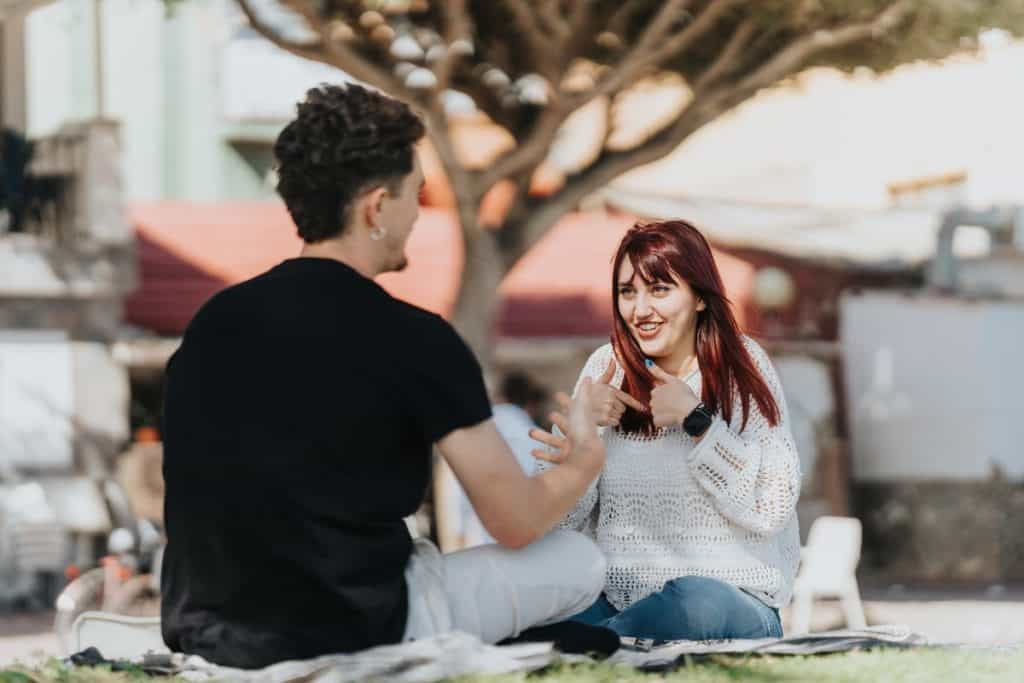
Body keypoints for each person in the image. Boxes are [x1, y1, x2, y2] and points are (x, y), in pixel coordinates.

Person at [160, 83, 608, 669]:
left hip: (210, 632)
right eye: (414, 194)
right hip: (356, 622)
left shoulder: (210, 324)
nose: (419, 213)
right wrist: (583, 463)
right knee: (579, 560)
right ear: (376, 207)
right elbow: (516, 521)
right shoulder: (413, 337)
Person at [531, 220, 801, 642]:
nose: (640, 310)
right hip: (617, 601)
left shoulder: (743, 366)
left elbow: (772, 505)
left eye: (659, 289)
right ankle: (596, 643)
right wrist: (579, 451)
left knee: (691, 600)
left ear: (697, 297)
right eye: (627, 292)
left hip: (731, 600)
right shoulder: (606, 369)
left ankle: (593, 645)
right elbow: (549, 528)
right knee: (534, 612)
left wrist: (699, 423)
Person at [450, 372, 547, 547]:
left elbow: (456, 497)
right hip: (528, 544)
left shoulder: (469, 434)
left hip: (478, 544)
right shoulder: (540, 440)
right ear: (530, 405)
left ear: (500, 397)